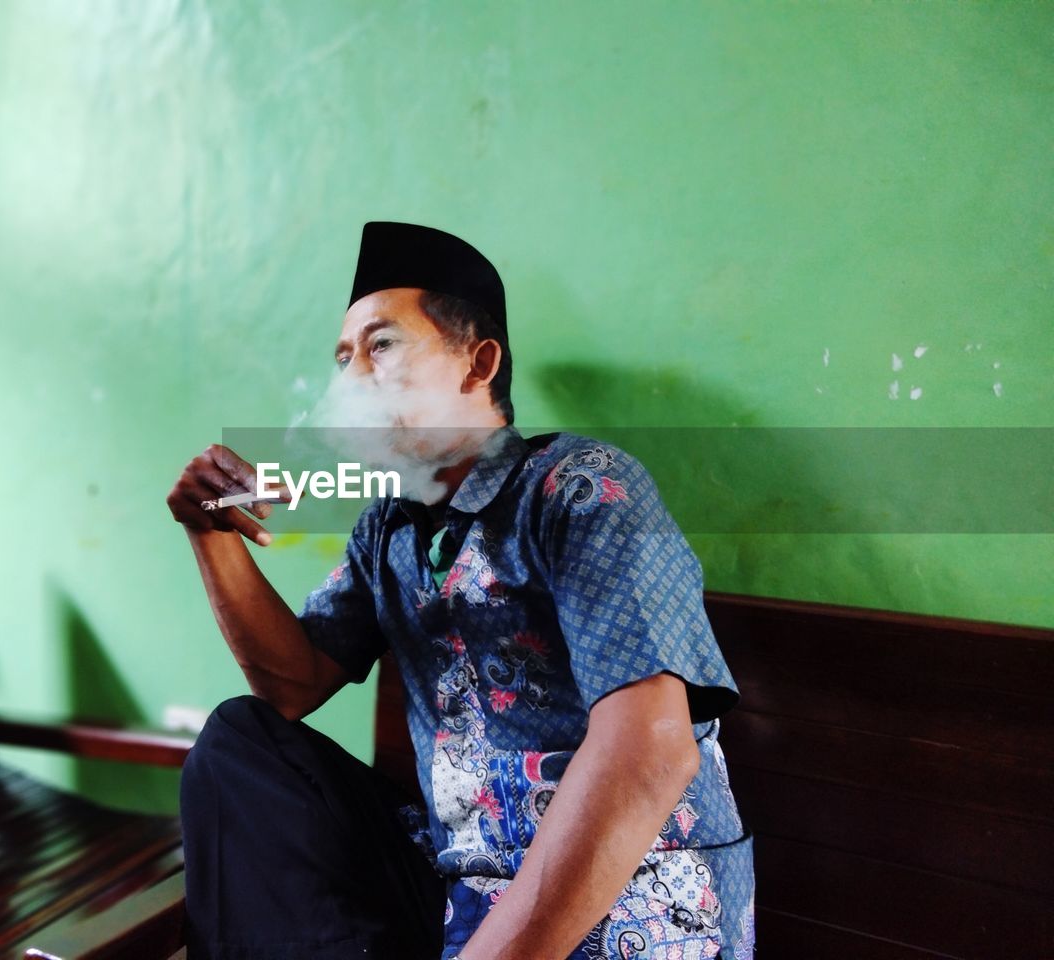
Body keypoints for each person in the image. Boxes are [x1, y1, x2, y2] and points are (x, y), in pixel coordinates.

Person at [166, 221, 755, 960]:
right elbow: (291, 685)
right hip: (460, 895)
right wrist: (208, 533)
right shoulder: (389, 526)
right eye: (343, 359)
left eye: (381, 346)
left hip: (635, 898)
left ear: (478, 364)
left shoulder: (582, 490)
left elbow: (652, 754)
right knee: (237, 745)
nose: (351, 379)